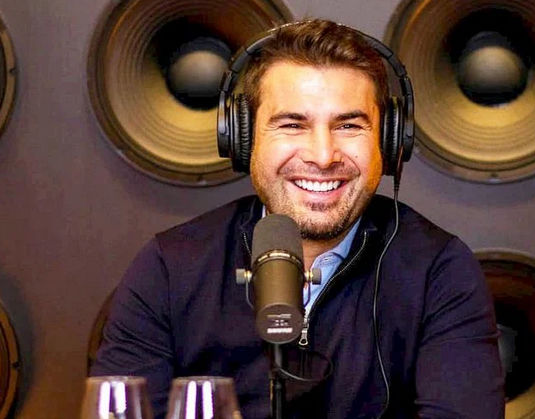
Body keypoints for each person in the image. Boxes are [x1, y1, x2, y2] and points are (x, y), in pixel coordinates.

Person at [90, 19, 504, 419]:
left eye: (349, 125)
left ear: (389, 140)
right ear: (243, 138)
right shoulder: (170, 266)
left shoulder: (439, 270)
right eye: (292, 124)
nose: (323, 156)